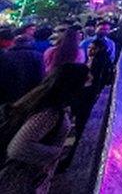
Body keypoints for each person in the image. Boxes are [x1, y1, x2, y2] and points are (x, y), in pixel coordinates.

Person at [0, 63, 90, 193]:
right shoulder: (50, 113)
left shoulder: (38, 98)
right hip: (20, 179)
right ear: (74, 86)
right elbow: (17, 148)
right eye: (86, 82)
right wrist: (57, 152)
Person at [0, 35, 45, 105]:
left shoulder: (6, 55)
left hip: (12, 92)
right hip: (32, 90)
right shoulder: (37, 55)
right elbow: (41, 74)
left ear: (14, 43)